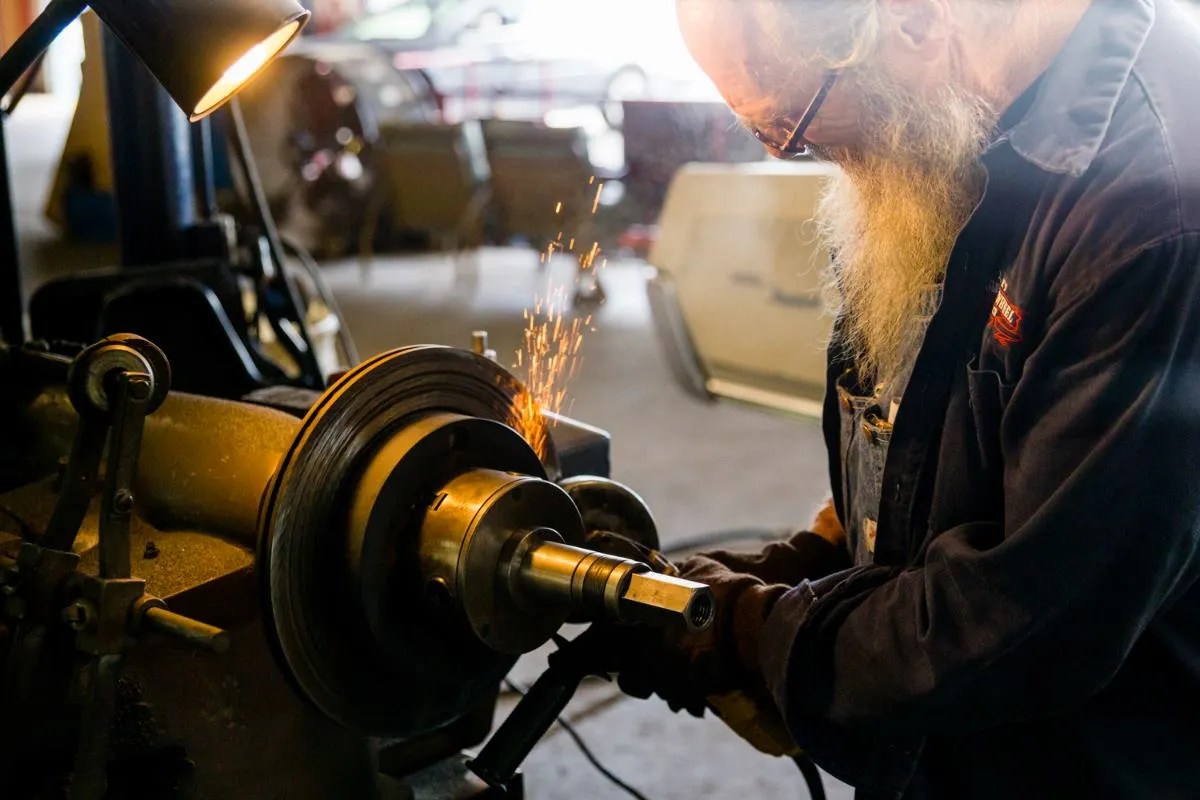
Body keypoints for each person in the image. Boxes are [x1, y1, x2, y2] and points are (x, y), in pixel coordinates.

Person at [605, 1, 1200, 797]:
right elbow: (939, 429)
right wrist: (810, 563)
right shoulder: (948, 117)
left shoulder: (1152, 213)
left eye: (792, 122)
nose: (803, 153)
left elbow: (1035, 617)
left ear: (913, 21)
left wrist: (760, 636)